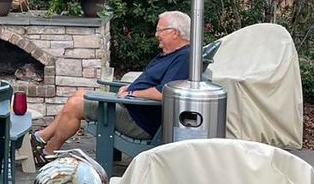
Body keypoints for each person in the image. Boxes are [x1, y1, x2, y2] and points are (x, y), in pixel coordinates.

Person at [30, 10, 192, 165]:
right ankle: (40, 137)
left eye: (160, 30)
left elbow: (165, 93)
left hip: (141, 120)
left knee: (75, 105)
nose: (157, 35)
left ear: (175, 32)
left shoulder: (183, 58)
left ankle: (48, 152)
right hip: (133, 107)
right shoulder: (169, 54)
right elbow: (152, 80)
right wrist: (130, 87)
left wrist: (133, 93)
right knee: (80, 94)